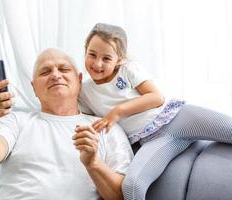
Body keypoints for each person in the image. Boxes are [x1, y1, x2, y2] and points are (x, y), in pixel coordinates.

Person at [78, 23, 232, 200]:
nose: (97, 63)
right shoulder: (85, 91)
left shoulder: (127, 69)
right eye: (92, 55)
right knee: (131, 187)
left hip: (178, 118)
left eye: (106, 58)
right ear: (85, 51)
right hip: (154, 140)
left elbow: (156, 97)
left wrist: (118, 111)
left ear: (119, 58)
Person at [0, 48, 133, 200]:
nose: (55, 75)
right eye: (45, 71)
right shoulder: (16, 121)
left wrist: (93, 163)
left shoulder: (107, 127)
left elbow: (121, 195)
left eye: (63, 69)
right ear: (34, 87)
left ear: (79, 80)